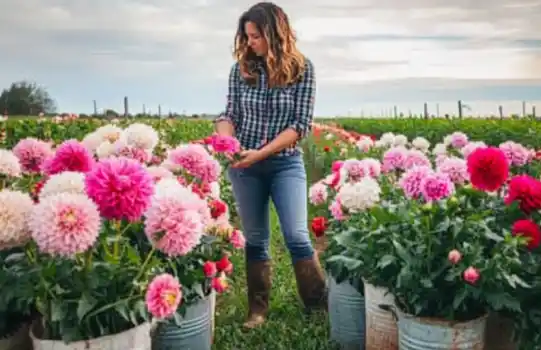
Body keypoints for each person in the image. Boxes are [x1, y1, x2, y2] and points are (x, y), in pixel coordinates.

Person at [213, 2, 327, 329]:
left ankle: (317, 303)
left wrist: (259, 153)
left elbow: (300, 125)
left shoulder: (303, 69)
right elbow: (229, 115)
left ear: (275, 35)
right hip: (244, 166)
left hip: (285, 164)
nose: (250, 43)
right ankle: (258, 310)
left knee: (296, 235)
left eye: (256, 36)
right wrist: (228, 142)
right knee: (256, 238)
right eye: (246, 37)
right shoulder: (241, 70)